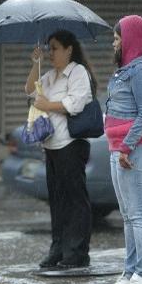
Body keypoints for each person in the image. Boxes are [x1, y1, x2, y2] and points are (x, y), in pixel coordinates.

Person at [25, 30, 95, 269]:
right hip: (51, 145)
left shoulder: (77, 72)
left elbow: (75, 103)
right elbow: (31, 91)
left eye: (54, 48)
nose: (50, 52)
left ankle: (77, 253)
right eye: (48, 48)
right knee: (57, 200)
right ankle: (58, 249)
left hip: (70, 145)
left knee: (75, 200)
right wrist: (36, 63)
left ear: (68, 49)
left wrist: (48, 105)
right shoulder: (51, 75)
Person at [103, 15, 142, 284]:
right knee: (128, 215)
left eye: (117, 39)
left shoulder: (140, 72)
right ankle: (130, 272)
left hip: (136, 149)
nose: (114, 44)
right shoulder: (124, 69)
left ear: (130, 39)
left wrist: (126, 146)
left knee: (139, 214)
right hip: (119, 149)